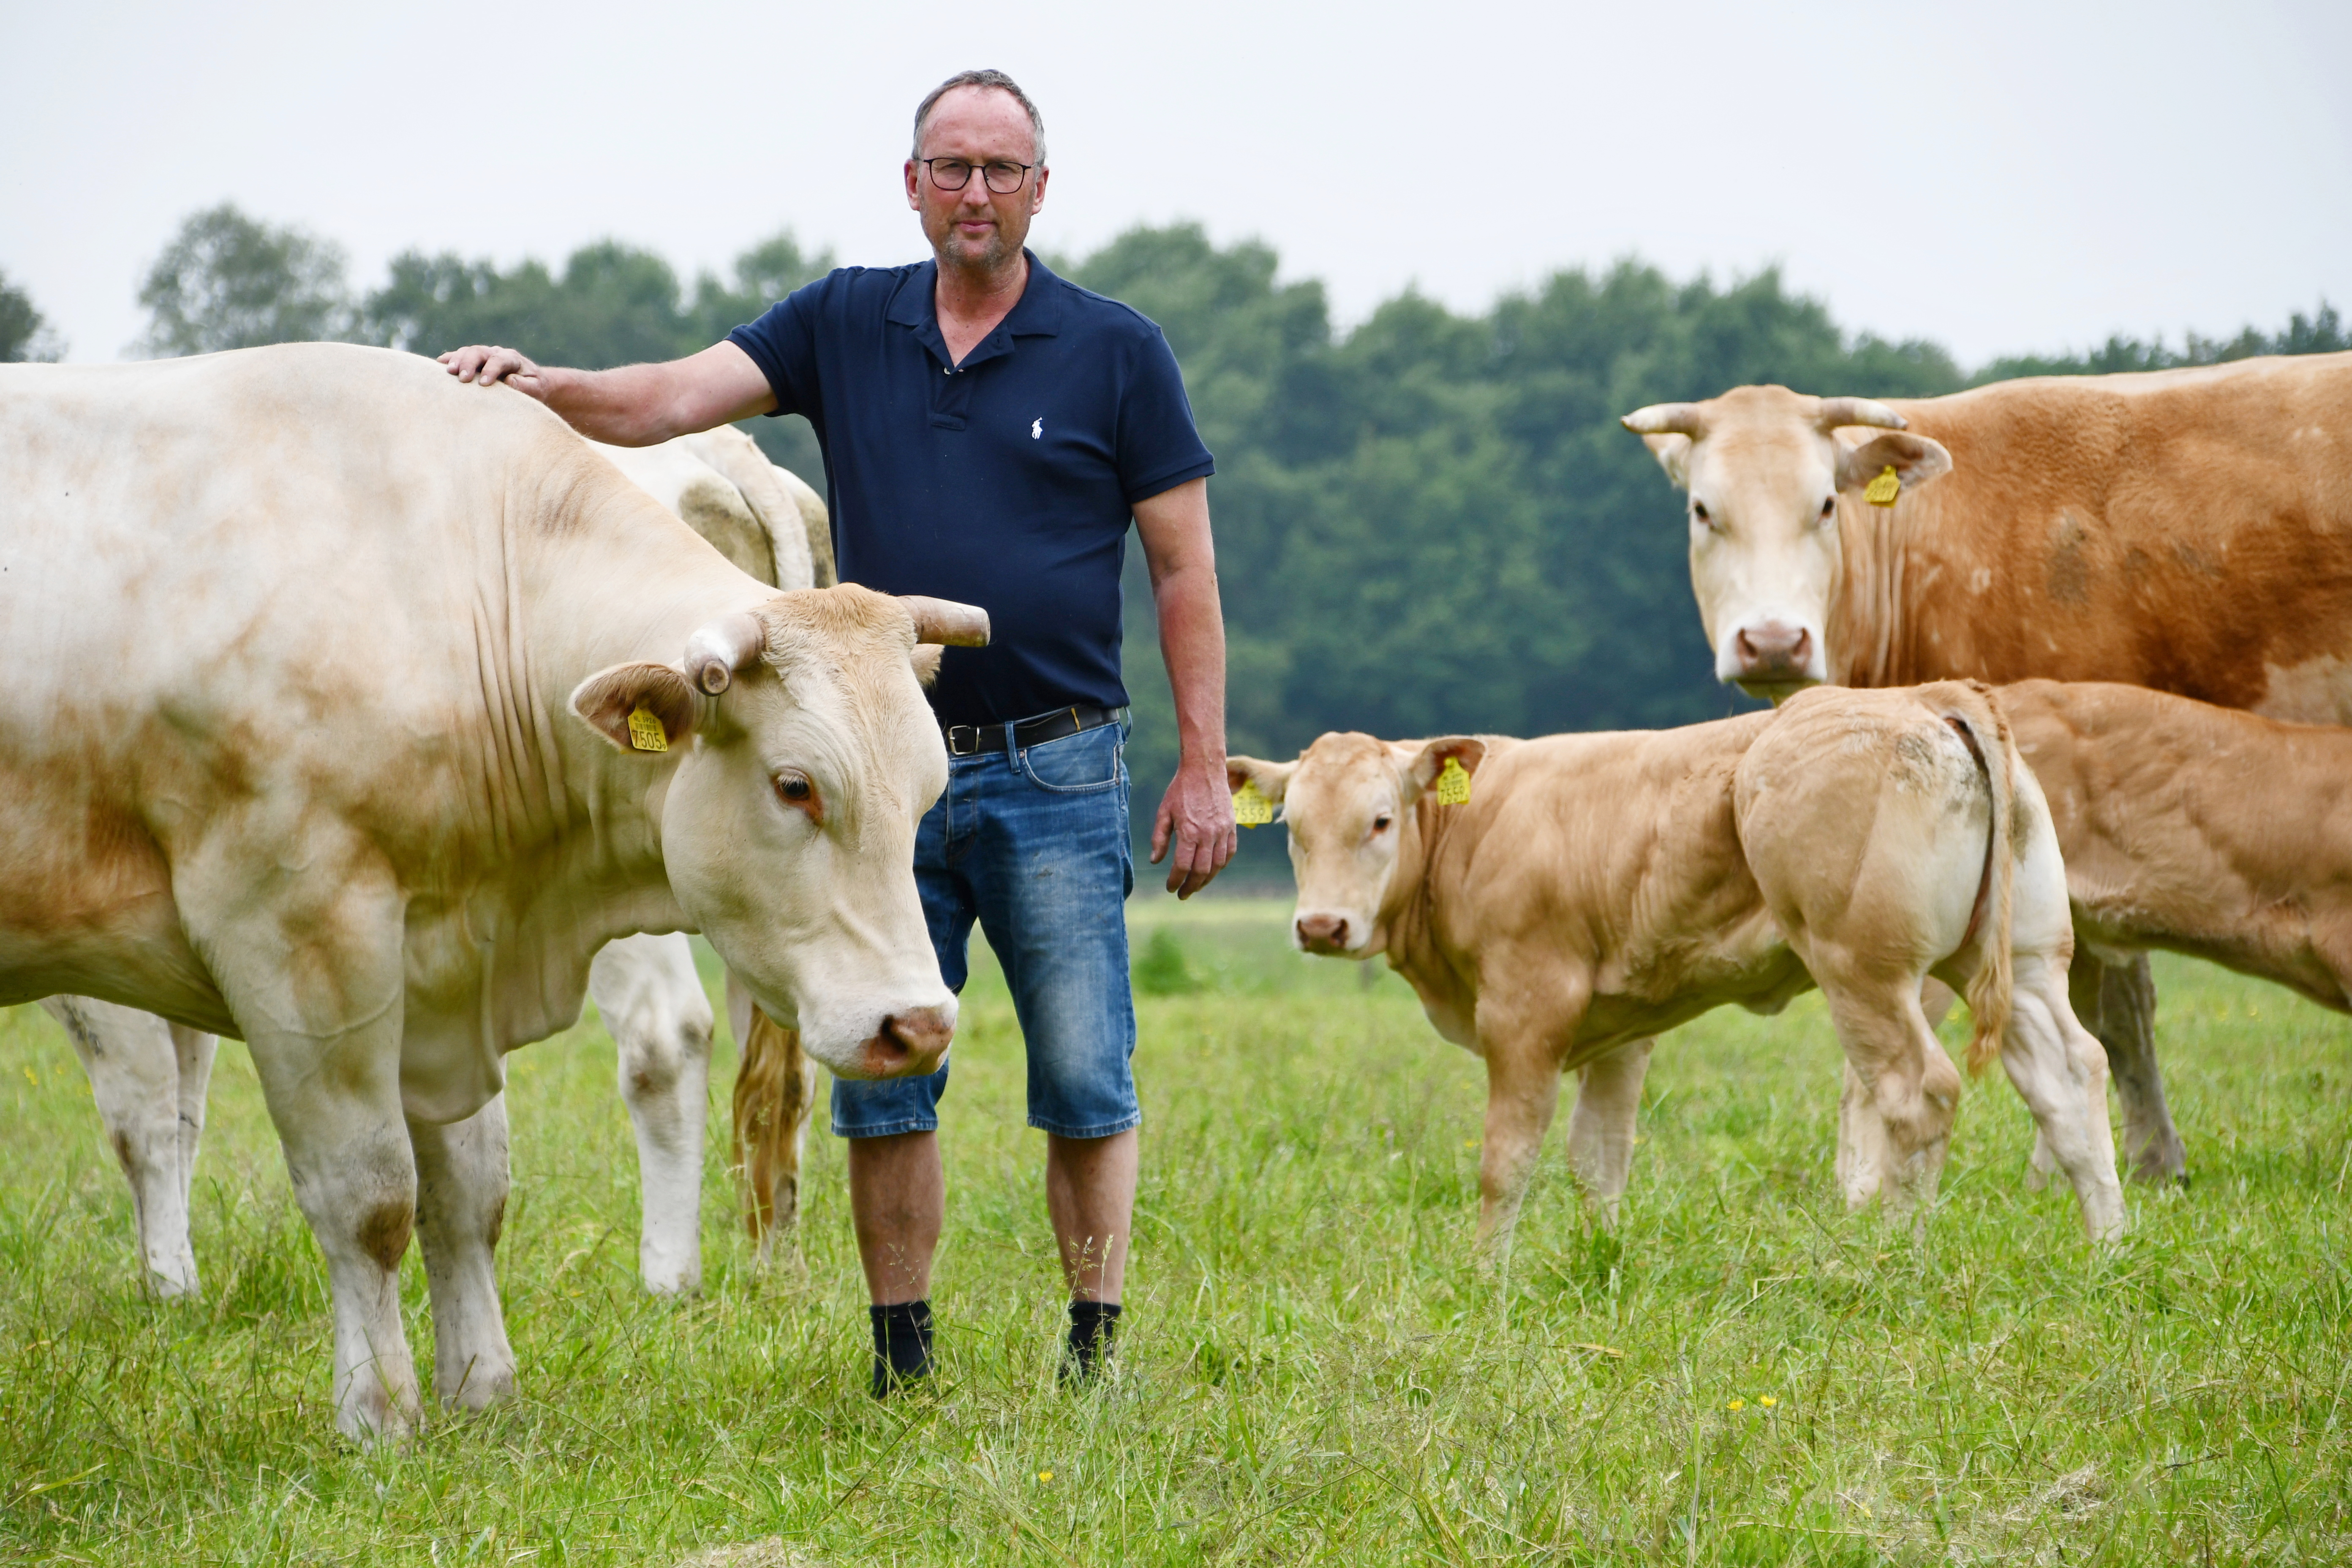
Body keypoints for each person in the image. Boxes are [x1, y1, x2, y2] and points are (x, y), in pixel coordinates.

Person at [439, 68, 1235, 1394]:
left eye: (1001, 169)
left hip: (1056, 761)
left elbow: (1184, 570)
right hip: (866, 769)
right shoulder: (848, 320)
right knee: (883, 1066)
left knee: (1086, 1073)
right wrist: (536, 383)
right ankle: (900, 1358)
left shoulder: (1117, 350)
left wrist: (1205, 764)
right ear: (911, 183)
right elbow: (666, 400)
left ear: (1041, 189)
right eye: (951, 167)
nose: (975, 192)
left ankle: (1094, 1352)